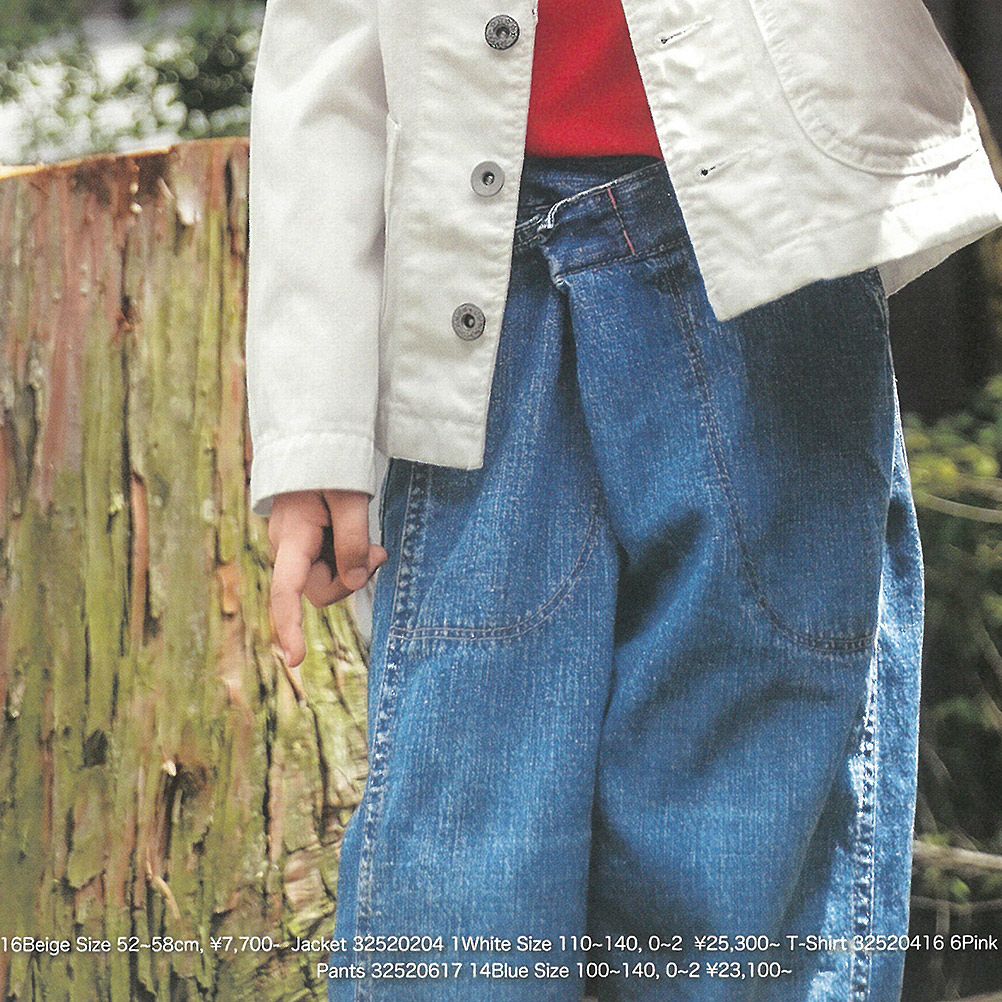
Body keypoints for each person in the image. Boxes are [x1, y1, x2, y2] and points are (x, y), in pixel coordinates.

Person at [244, 1, 1002, 999]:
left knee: (743, 880)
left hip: (772, 245)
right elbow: (325, 48)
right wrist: (314, 429)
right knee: (458, 890)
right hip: (472, 289)